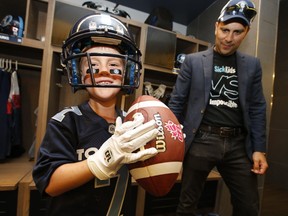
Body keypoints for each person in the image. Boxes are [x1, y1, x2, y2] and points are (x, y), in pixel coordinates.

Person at [32, 13, 159, 216]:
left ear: (128, 74)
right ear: (78, 73)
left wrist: (168, 140)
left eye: (114, 66)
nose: (104, 72)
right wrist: (100, 160)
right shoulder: (66, 121)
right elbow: (50, 184)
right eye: (93, 66)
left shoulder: (134, 121)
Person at [168, 0, 269, 215]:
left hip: (238, 146)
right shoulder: (193, 61)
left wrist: (259, 148)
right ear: (216, 27)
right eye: (224, 30)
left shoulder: (252, 65)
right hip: (201, 140)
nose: (228, 38)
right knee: (187, 204)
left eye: (237, 32)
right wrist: (171, 145)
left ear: (246, 32)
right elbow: (176, 103)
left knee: (249, 206)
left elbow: (258, 108)